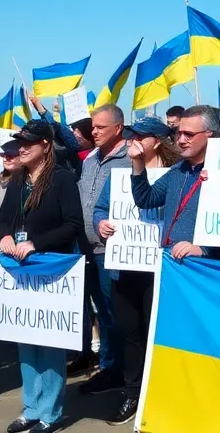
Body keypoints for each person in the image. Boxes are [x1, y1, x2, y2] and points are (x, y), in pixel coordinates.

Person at [0, 120, 87, 433]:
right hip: (21, 270)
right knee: (26, 339)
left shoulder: (62, 179)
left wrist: (36, 243)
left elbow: (73, 224)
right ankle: (31, 407)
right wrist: (5, 236)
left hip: (52, 268)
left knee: (49, 342)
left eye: (28, 143)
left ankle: (51, 411)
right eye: (19, 142)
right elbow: (4, 220)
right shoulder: (19, 178)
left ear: (46, 145)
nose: (21, 148)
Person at [93, 117, 181, 426]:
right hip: (124, 266)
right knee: (128, 331)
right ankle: (132, 391)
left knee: (156, 332)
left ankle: (159, 390)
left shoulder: (175, 175)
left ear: (156, 141)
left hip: (159, 269)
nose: (134, 141)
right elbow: (101, 209)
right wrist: (100, 224)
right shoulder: (119, 175)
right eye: (131, 136)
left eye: (140, 137)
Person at [74, 105, 130, 392]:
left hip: (114, 250)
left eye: (100, 127)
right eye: (93, 127)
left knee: (114, 312)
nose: (93, 132)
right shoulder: (91, 159)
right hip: (89, 249)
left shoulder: (130, 158)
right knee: (102, 311)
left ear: (118, 128)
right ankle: (108, 365)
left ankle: (117, 369)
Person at [130, 105, 219, 264]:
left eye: (189, 135)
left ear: (209, 135)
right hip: (173, 265)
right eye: (179, 133)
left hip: (206, 269)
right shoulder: (177, 170)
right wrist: (137, 162)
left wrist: (204, 249)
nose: (181, 140)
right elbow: (146, 199)